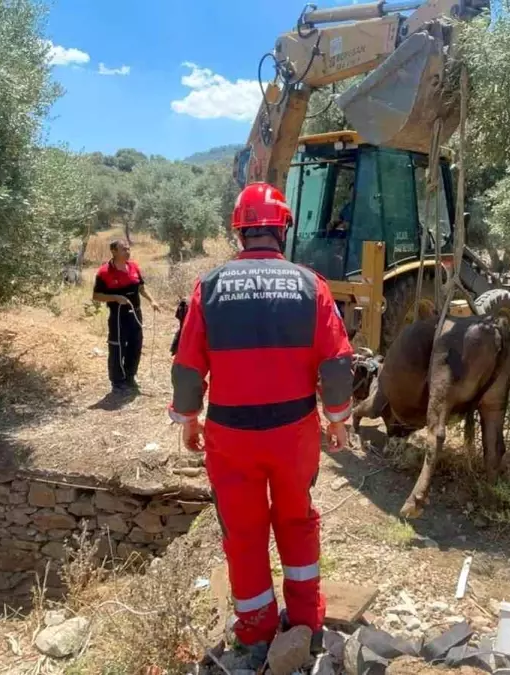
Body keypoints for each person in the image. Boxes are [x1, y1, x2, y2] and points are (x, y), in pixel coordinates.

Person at [169, 182, 353, 655]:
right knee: (296, 520)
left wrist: (188, 419)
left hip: (231, 437)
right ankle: (306, 619)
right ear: (282, 228)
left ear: (240, 232)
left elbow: (188, 366)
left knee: (244, 531)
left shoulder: (209, 287)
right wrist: (337, 418)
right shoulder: (311, 285)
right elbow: (336, 363)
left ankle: (255, 628)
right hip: (294, 433)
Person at [93, 239, 161, 392]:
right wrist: (115, 298)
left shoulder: (134, 267)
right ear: (114, 251)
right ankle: (117, 381)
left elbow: (141, 288)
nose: (127, 252)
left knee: (135, 345)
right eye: (123, 249)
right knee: (117, 346)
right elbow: (96, 296)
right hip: (118, 316)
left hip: (135, 313)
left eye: (128, 249)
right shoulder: (104, 272)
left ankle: (130, 376)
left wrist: (152, 300)